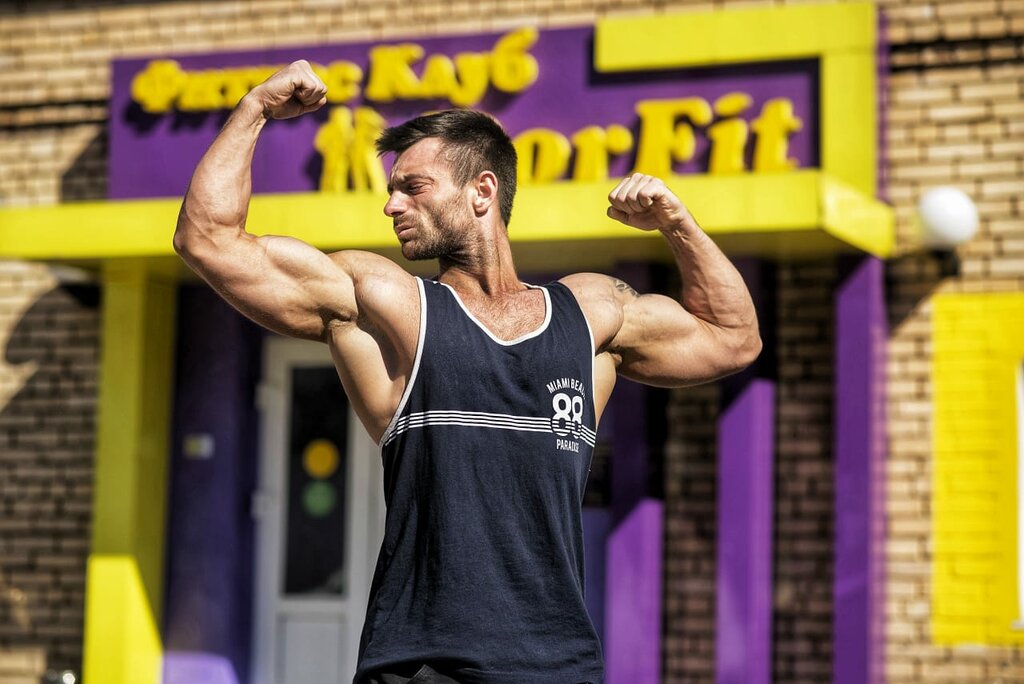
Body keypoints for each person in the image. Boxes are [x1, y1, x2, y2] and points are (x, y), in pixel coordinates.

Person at [173, 60, 761, 684]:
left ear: (482, 191)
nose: (391, 205)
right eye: (392, 189)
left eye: (413, 187)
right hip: (422, 667)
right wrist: (255, 108)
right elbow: (207, 239)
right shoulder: (391, 305)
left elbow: (733, 339)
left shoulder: (589, 317)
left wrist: (677, 224)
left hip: (560, 668)